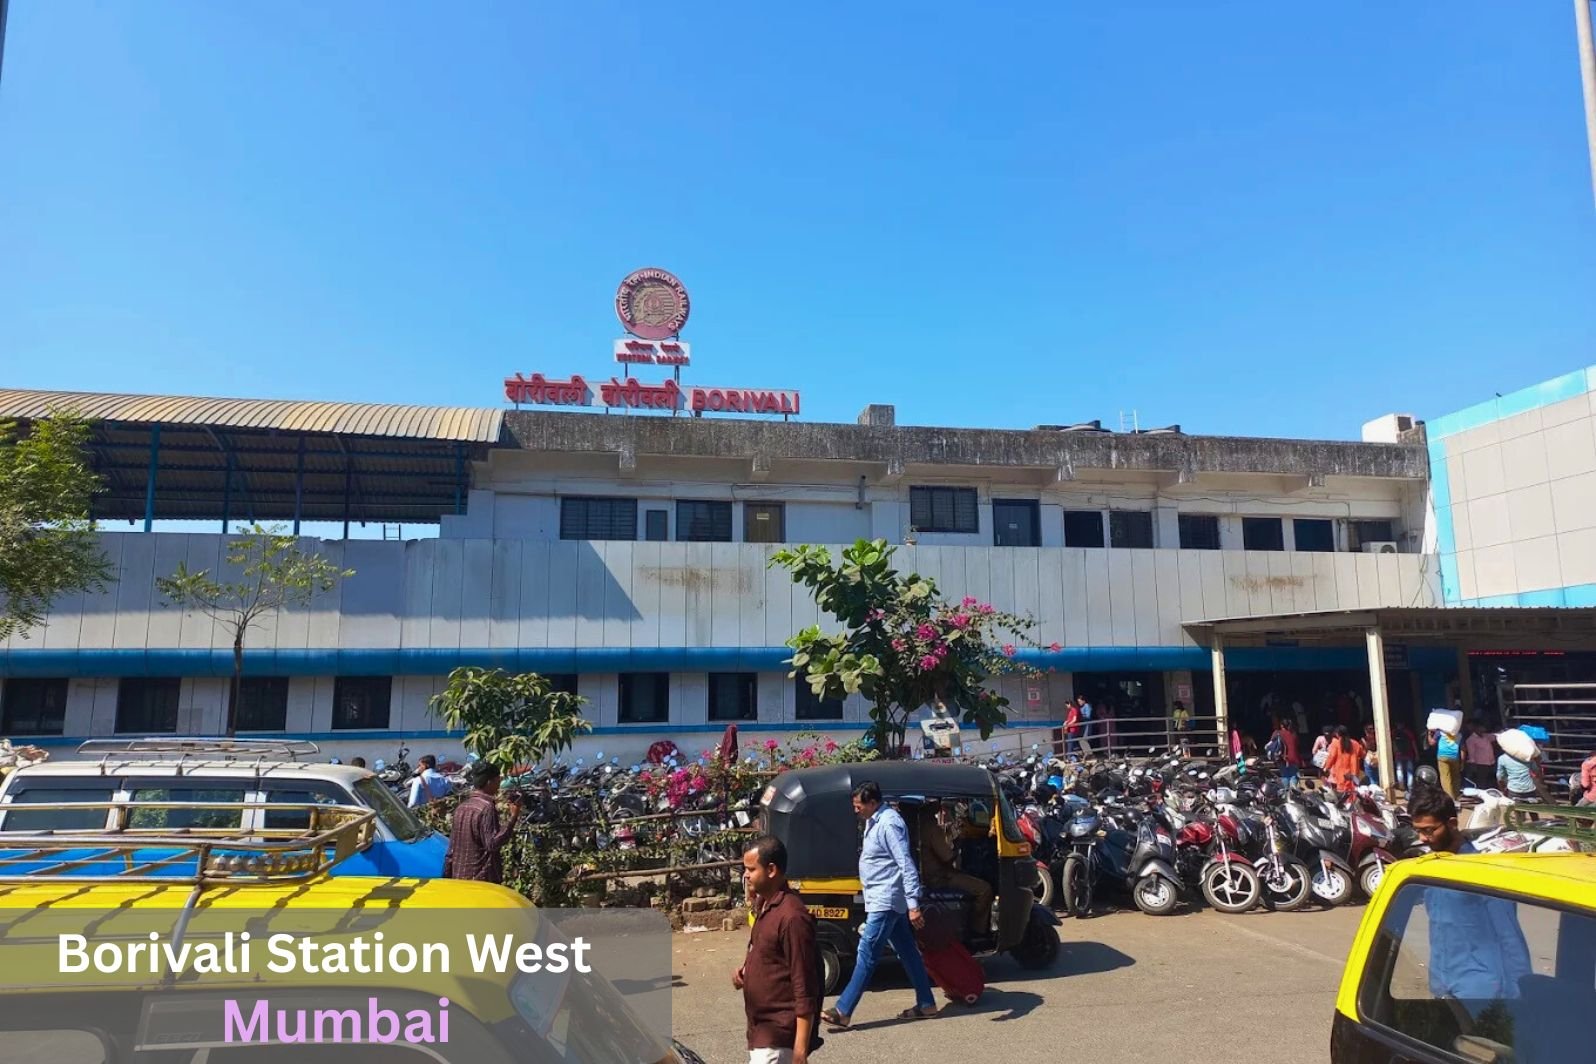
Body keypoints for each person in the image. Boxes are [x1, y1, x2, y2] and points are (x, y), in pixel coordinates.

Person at [821, 782, 938, 1028]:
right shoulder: (874, 820)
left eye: (858, 806)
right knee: (907, 952)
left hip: (886, 901)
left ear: (872, 803)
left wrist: (913, 904)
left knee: (867, 954)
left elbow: (905, 864)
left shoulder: (889, 824)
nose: (856, 810)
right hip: (882, 899)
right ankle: (926, 1003)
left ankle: (843, 1010)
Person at [1407, 788, 1532, 1011]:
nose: (1422, 838)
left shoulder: (1482, 874)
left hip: (1481, 993)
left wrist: (1520, 1000)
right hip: (1443, 987)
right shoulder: (1431, 869)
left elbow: (1510, 937)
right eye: (1417, 830)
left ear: (1452, 823)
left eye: (1428, 830)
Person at [735, 835, 821, 1064]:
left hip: (778, 1039)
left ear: (771, 870)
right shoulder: (766, 906)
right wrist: (746, 972)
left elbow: (805, 986)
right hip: (761, 1033)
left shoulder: (792, 917)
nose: (745, 875)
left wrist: (800, 1051)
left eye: (751, 869)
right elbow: (769, 956)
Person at [917, 802, 993, 938]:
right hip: (941, 877)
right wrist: (958, 844)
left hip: (930, 875)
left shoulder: (917, 826)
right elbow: (947, 857)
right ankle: (977, 933)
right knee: (985, 889)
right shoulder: (931, 827)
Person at [442, 760, 523, 884]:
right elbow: (492, 844)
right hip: (480, 879)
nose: (499, 784)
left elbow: (451, 849)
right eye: (498, 780)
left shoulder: (461, 808)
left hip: (459, 876)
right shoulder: (487, 808)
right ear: (490, 782)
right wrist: (513, 817)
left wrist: (446, 877)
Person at [1322, 725, 1366, 794]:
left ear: (1337, 734)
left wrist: (1326, 768)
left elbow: (1331, 757)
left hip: (1341, 774)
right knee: (1353, 792)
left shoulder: (1335, 744)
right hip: (1354, 773)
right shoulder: (1355, 743)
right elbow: (1363, 754)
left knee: (1343, 794)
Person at [1428, 722, 1462, 799]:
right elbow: (1463, 748)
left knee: (1445, 778)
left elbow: (1431, 743)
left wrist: (1429, 734)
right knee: (1455, 777)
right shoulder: (1458, 734)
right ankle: (1456, 796)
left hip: (1442, 756)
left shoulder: (1439, 732)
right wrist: (1462, 761)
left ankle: (1450, 798)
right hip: (1454, 757)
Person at [1463, 720, 1497, 791]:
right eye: (1481, 728)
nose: (1484, 729)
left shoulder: (1486, 736)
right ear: (1476, 728)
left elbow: (1495, 736)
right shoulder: (1471, 740)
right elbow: (1471, 753)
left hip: (1490, 762)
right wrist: (1473, 764)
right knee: (1481, 781)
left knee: (1488, 780)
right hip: (1480, 764)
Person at [1271, 715, 1301, 788]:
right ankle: (1293, 791)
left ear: (1281, 725)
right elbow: (1297, 745)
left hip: (1282, 758)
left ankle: (1286, 792)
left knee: (1285, 775)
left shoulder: (1277, 733)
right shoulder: (1293, 734)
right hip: (1293, 758)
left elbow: (1272, 744)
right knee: (1293, 775)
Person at [1393, 722, 1418, 794]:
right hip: (1409, 754)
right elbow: (1413, 743)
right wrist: (1416, 754)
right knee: (1409, 771)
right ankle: (1410, 788)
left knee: (1399, 770)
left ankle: (1401, 785)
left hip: (1398, 755)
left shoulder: (1394, 732)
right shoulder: (1408, 732)